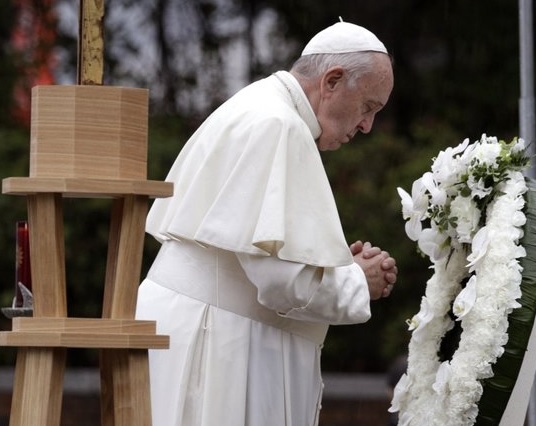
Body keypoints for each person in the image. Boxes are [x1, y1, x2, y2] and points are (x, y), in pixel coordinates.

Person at [135, 19, 398, 426]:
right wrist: (357, 281)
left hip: (194, 328)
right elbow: (281, 282)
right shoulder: (280, 125)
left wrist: (326, 262)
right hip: (217, 343)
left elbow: (259, 249)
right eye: (368, 107)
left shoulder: (259, 104)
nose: (367, 126)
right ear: (332, 80)